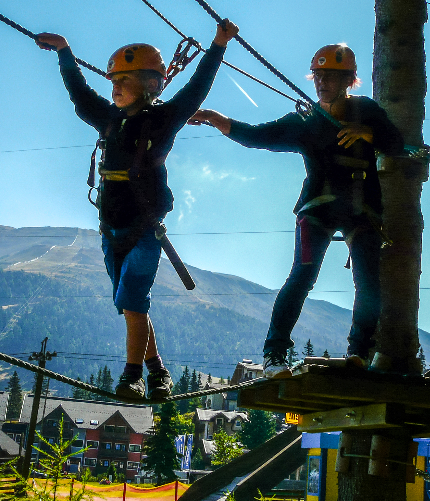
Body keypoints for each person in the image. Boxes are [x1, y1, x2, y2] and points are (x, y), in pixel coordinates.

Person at [37, 20, 239, 399]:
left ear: (149, 84)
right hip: (110, 230)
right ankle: (158, 371)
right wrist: (65, 51)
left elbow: (196, 89)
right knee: (132, 308)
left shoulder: (162, 121)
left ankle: (132, 376)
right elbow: (80, 94)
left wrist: (218, 46)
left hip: (145, 230)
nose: (113, 88)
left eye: (122, 81)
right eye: (113, 81)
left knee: (132, 299)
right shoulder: (109, 120)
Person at [190, 44, 404, 378]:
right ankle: (274, 354)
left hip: (362, 210)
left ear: (349, 79)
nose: (322, 83)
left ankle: (359, 353)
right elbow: (259, 135)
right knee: (301, 277)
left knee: (368, 283)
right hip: (316, 208)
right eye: (318, 76)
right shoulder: (305, 120)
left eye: (330, 77)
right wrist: (216, 118)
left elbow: (396, 143)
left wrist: (368, 133)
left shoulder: (367, 111)